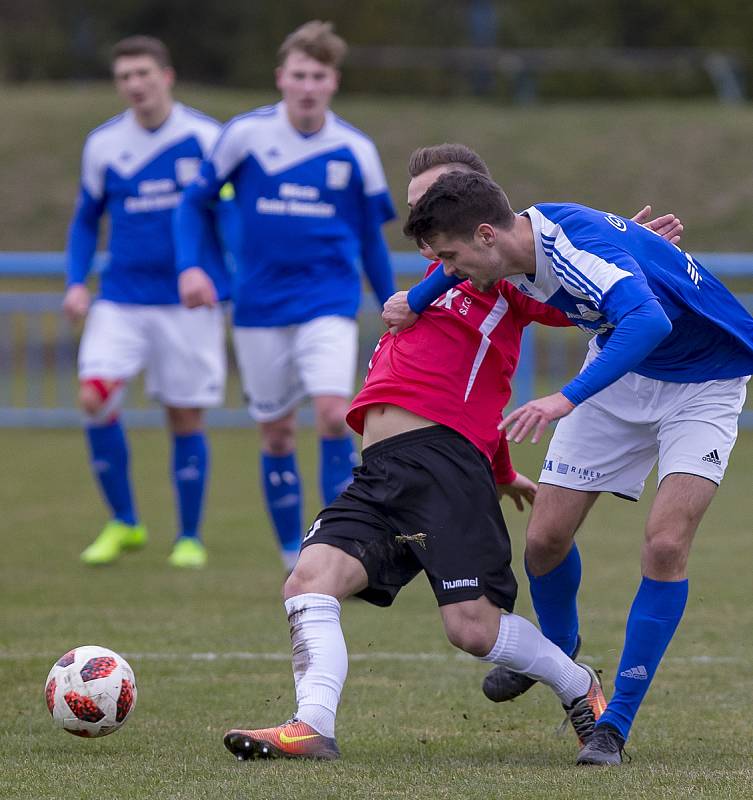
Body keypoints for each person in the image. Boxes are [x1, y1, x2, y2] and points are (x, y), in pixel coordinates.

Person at [221, 210, 608, 765]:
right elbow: (469, 388)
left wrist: (625, 251)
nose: (423, 216)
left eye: (432, 196)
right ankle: (311, 725)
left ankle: (578, 687)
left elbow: (578, 298)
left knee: (472, 629)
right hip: (379, 471)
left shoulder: (499, 280)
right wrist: (501, 472)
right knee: (307, 581)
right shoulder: (421, 294)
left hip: (442, 468)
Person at [402, 169, 753, 765]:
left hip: (703, 380)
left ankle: (612, 725)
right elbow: (456, 267)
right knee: (543, 540)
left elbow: (649, 320)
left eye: (453, 258)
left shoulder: (567, 251)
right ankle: (561, 659)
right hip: (622, 374)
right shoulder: (513, 242)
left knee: (666, 545)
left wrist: (565, 397)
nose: (451, 272)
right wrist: (410, 301)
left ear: (488, 234)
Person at [176, 21, 397, 571]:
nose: (306, 85)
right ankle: (288, 550)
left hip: (329, 300)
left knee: (331, 413)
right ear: (281, 77)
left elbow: (371, 239)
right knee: (275, 432)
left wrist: (394, 302)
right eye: (298, 74)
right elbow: (191, 204)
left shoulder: (355, 150)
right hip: (258, 307)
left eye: (317, 75)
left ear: (333, 82)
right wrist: (192, 268)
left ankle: (341, 539)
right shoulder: (245, 136)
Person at [63, 35, 230, 569]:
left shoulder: (207, 137)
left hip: (187, 306)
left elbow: (231, 217)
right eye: (124, 76)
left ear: (167, 75)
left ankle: (188, 536)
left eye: (143, 73)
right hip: (121, 299)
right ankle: (124, 522)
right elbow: (87, 219)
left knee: (184, 416)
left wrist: (220, 277)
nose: (134, 84)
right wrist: (74, 280)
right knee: (94, 398)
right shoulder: (104, 144)